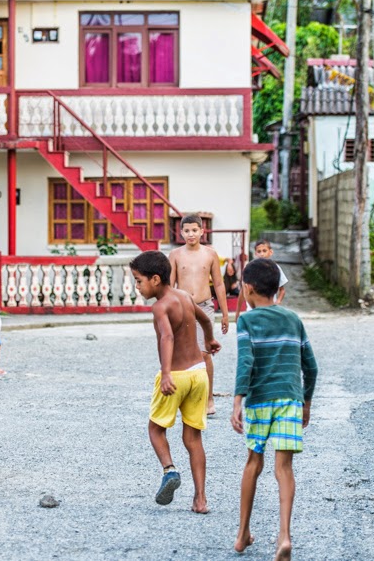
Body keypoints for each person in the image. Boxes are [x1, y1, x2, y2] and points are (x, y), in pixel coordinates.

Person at [230, 258, 318, 560]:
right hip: (290, 399)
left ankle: (242, 533)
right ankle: (284, 535)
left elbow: (246, 362)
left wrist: (237, 400)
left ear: (249, 289)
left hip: (259, 400)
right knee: (284, 469)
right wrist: (306, 402)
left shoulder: (247, 321)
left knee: (254, 463)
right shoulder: (293, 319)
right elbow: (311, 366)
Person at [130, 251, 221, 513]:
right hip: (199, 373)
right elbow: (204, 318)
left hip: (177, 375)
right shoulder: (185, 296)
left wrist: (166, 373)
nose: (137, 286)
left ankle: (169, 470)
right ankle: (200, 499)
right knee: (193, 438)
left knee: (156, 429)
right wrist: (210, 339)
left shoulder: (160, 306)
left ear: (155, 279)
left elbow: (166, 338)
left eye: (139, 281)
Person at [168, 215, 229, 415]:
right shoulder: (175, 255)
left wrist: (225, 314)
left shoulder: (210, 254)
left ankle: (209, 399)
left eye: (195, 230)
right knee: (183, 353)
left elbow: (219, 284)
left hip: (206, 306)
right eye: (187, 230)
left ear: (202, 231)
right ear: (181, 232)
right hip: (183, 306)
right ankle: (185, 397)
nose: (191, 234)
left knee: (205, 353)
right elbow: (170, 285)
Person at [235, 240, 288, 322]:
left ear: (270, 252)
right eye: (259, 251)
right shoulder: (250, 269)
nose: (262, 254)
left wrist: (278, 301)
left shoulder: (275, 269)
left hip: (270, 310)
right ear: (255, 253)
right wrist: (237, 312)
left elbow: (282, 290)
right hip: (252, 310)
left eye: (264, 251)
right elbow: (242, 292)